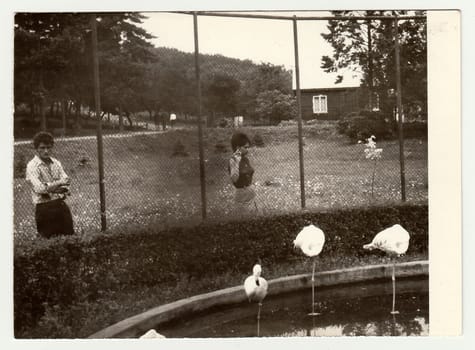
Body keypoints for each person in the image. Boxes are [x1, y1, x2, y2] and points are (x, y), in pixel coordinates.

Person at [25, 131, 74, 238]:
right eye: (42, 148)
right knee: (48, 241)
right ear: (36, 149)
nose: (46, 151)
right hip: (44, 208)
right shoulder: (32, 166)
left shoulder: (56, 163)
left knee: (70, 238)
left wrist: (50, 187)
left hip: (60, 205)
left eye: (48, 147)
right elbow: (39, 188)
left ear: (52, 147)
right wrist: (59, 184)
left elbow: (67, 181)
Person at [228, 131, 259, 215]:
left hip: (250, 194)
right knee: (243, 219)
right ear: (238, 148)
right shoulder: (233, 160)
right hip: (242, 195)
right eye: (246, 147)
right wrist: (236, 163)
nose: (248, 149)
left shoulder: (245, 159)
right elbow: (234, 179)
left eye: (248, 147)